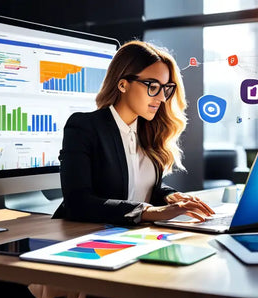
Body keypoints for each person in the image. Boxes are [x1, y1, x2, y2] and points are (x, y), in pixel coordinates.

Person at [52, 40, 214, 225]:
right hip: (84, 236)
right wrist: (152, 211)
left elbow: (136, 185)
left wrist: (170, 195)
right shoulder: (84, 127)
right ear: (122, 84)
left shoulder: (150, 130)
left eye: (165, 88)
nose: (161, 98)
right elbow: (78, 202)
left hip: (131, 235)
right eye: (152, 86)